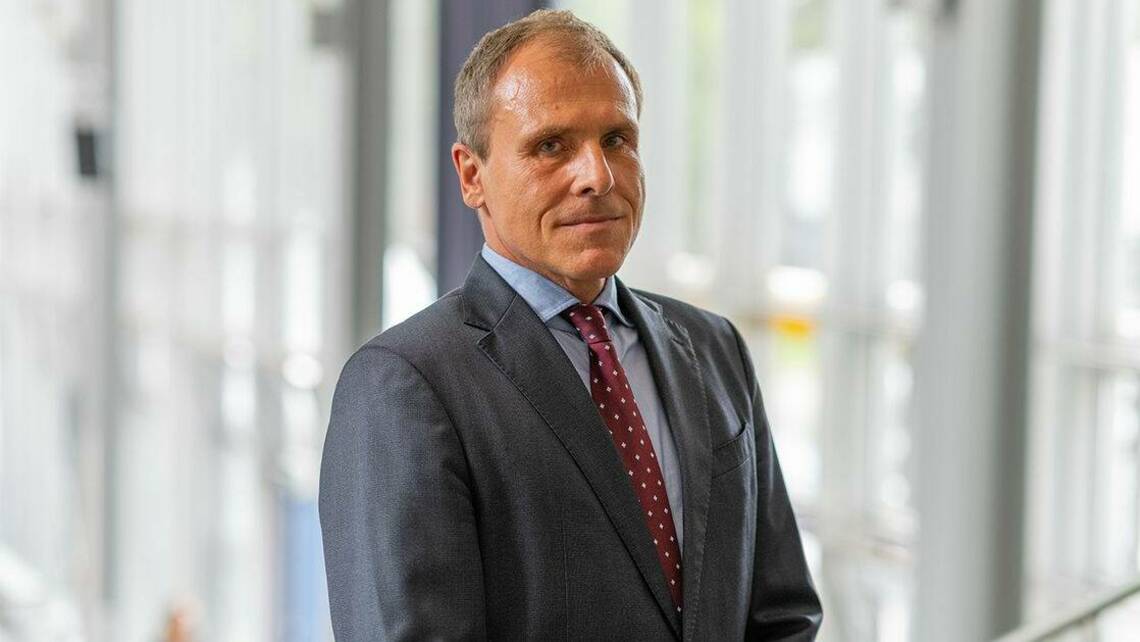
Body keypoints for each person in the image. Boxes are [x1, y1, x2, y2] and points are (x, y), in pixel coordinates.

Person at [319, 9, 822, 641]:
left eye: (616, 139)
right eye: (551, 146)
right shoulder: (405, 386)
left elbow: (782, 616)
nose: (597, 176)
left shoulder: (714, 349)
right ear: (472, 176)